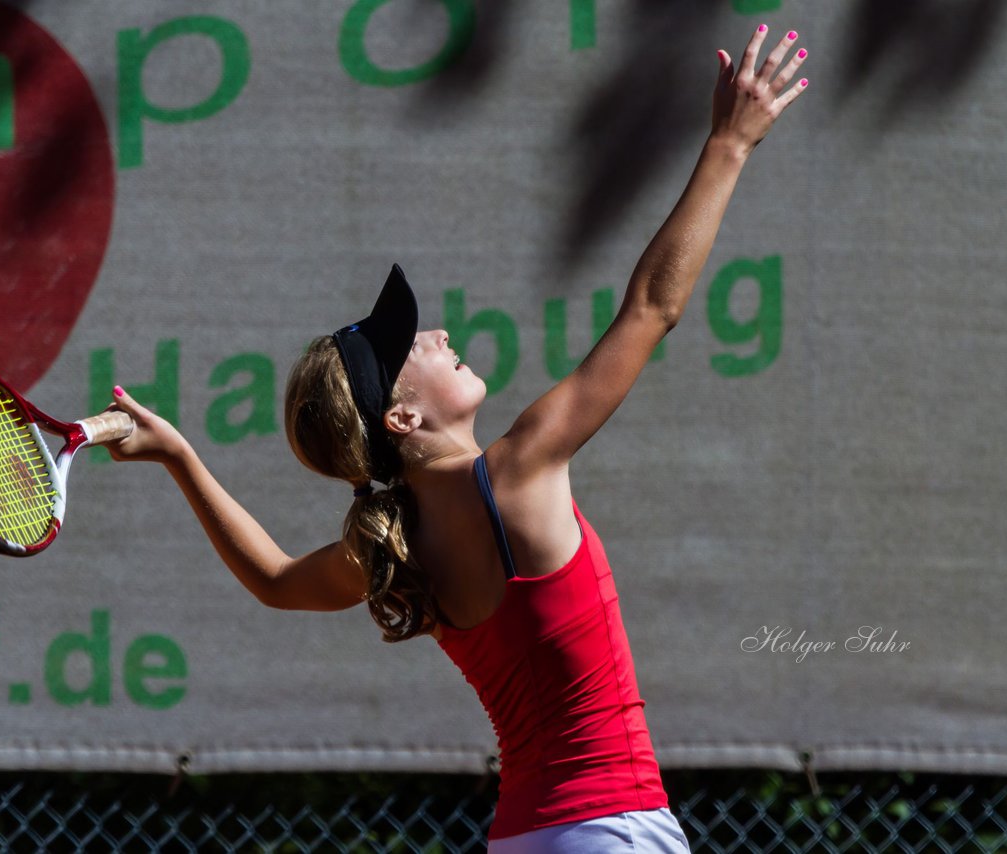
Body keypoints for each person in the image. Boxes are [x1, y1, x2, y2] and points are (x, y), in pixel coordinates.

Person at [107, 24, 808, 853]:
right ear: (402, 419)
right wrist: (729, 144)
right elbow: (652, 308)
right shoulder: (519, 467)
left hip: (522, 839)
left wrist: (180, 458)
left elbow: (275, 581)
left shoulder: (397, 547)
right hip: (611, 832)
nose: (436, 334)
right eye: (414, 348)